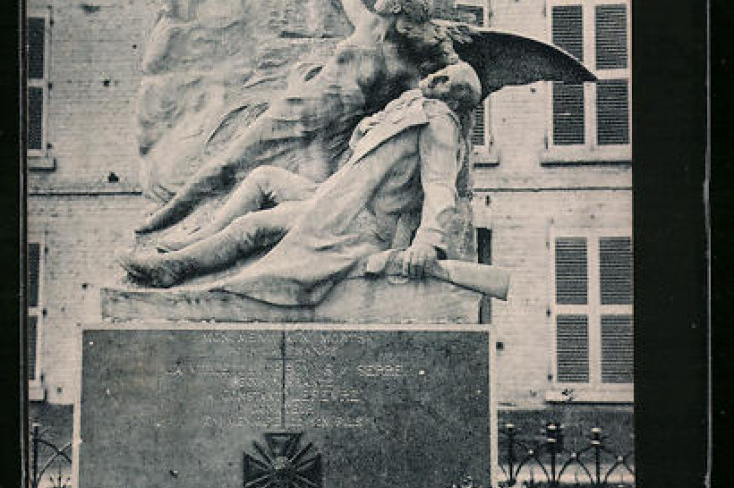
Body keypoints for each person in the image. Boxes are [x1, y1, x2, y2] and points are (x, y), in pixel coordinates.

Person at [135, 0, 458, 236]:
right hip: (296, 108)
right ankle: (167, 216)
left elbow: (416, 107)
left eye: (393, 7)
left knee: (300, 205)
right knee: (228, 162)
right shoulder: (366, 24)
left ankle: (220, 241)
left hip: (328, 138)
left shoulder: (402, 68)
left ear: (401, 16)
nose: (385, 5)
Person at [120, 61, 483, 306]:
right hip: (331, 196)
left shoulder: (440, 123)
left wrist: (428, 243)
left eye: (447, 80)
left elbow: (439, 186)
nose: (436, 77)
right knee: (264, 178)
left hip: (357, 222)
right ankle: (196, 240)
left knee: (253, 226)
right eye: (442, 72)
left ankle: (177, 268)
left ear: (455, 98)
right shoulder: (408, 107)